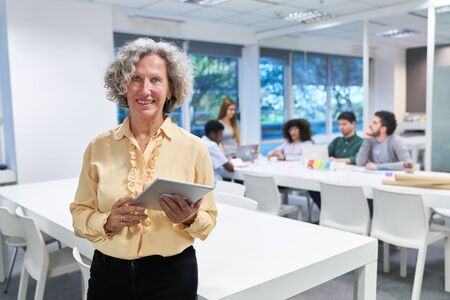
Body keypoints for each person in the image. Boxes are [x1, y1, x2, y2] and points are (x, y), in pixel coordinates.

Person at [69, 38, 217, 300]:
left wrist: (190, 218)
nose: (145, 89)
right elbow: (80, 214)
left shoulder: (195, 148)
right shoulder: (98, 146)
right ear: (123, 87)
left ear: (171, 89)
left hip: (172, 275)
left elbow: (208, 222)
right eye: (135, 78)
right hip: (109, 273)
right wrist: (107, 221)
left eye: (156, 80)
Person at [202, 120, 234, 184]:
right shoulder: (211, 145)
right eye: (221, 134)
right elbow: (230, 168)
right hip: (214, 184)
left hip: (205, 183)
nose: (221, 138)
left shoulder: (202, 141)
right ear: (212, 134)